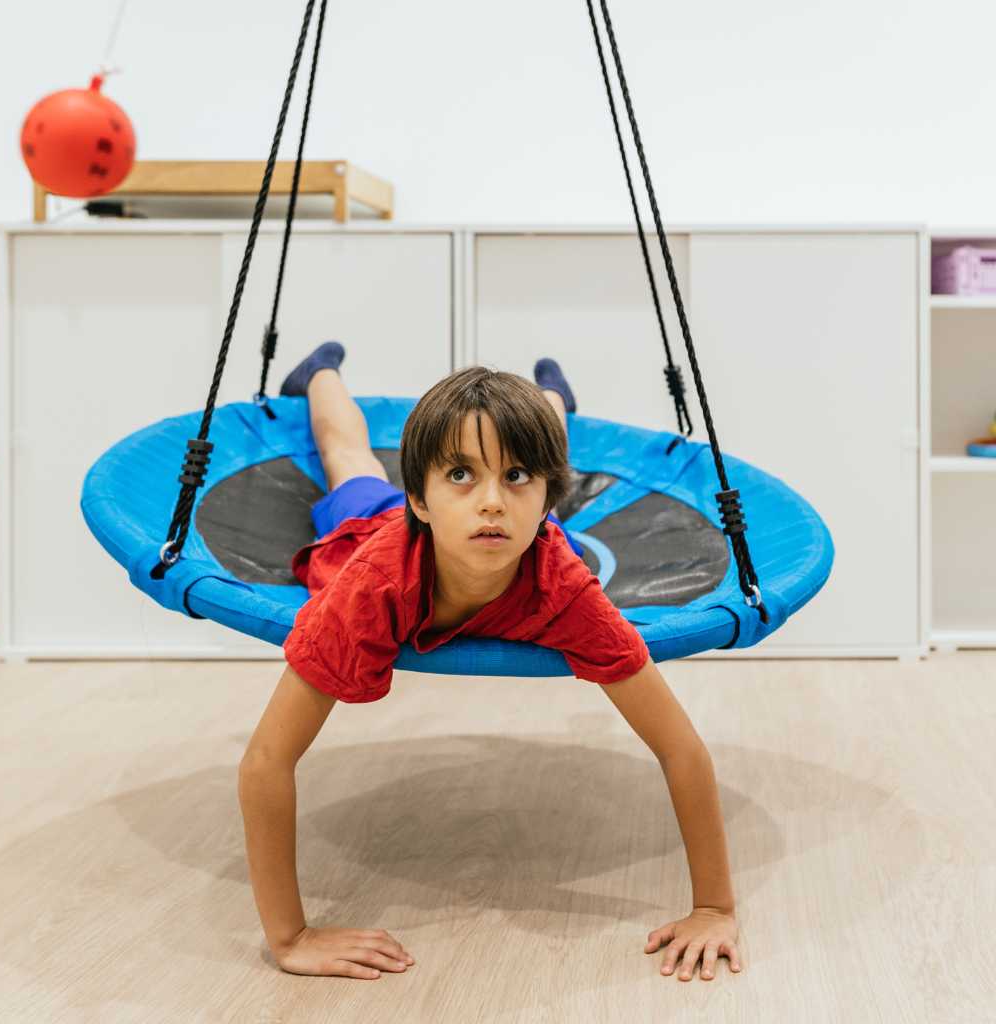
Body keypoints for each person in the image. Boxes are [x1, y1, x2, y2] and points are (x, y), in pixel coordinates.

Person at [238, 342, 742, 984]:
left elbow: (680, 747)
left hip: (511, 535)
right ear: (420, 498)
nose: (491, 503)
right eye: (459, 475)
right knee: (348, 461)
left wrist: (714, 908)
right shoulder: (372, 584)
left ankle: (549, 405)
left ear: (548, 505)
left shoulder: (562, 583)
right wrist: (290, 937)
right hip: (374, 525)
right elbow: (266, 760)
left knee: (525, 452)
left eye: (516, 479)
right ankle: (319, 376)